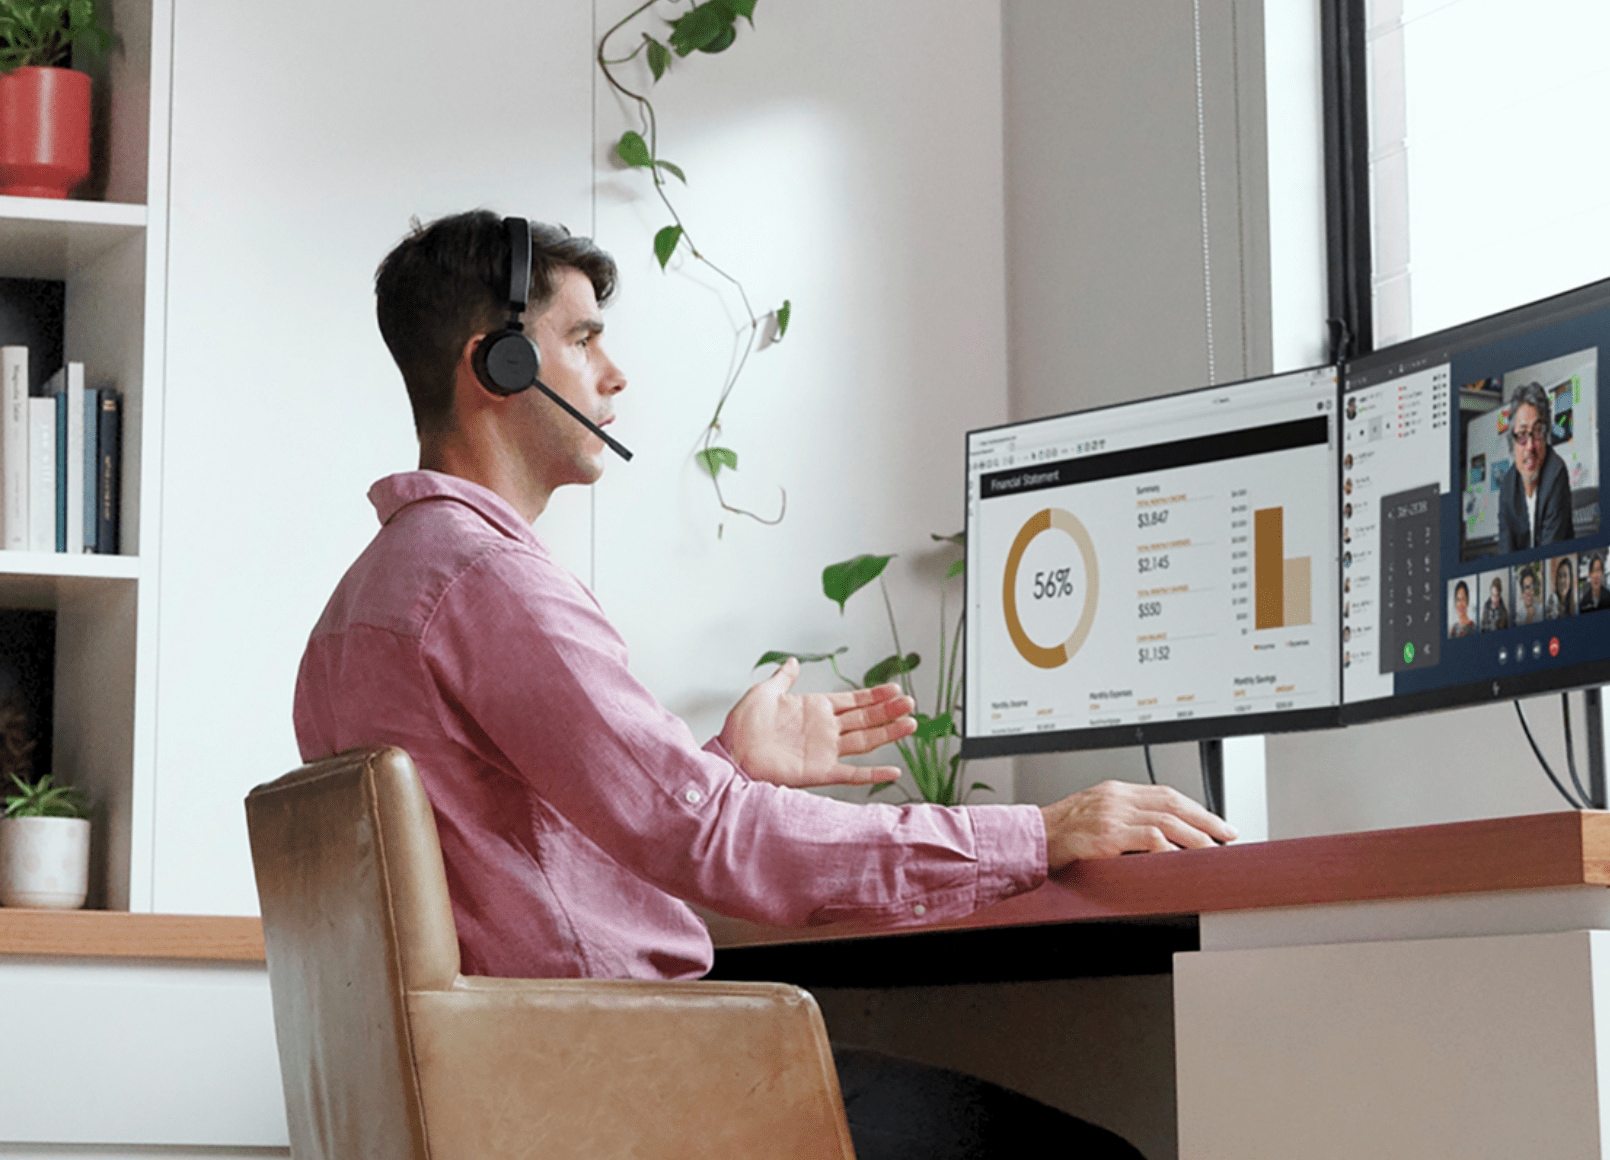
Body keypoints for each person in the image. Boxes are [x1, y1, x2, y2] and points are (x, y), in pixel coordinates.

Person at [294, 211, 1227, 1160]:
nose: (615, 375)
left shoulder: (360, 610)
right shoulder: (490, 584)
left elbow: (518, 858)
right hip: (620, 1087)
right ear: (496, 366)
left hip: (514, 1090)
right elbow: (703, 838)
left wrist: (729, 764)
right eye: (581, 339)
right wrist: (1039, 831)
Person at [1495, 382, 1573, 553]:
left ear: (1545, 435)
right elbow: (1505, 553)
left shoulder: (1556, 473)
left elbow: (1550, 554)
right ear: (1512, 442)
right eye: (1522, 435)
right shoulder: (1507, 485)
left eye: (1537, 431)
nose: (1530, 446)